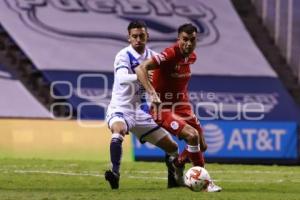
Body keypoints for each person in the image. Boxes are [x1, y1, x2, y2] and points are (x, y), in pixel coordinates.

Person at [135, 23, 222, 192]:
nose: (188, 44)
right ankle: (205, 183)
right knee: (192, 136)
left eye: (192, 40)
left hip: (183, 107)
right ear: (178, 39)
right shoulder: (170, 54)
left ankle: (177, 163)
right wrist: (152, 93)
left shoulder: (192, 57)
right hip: (163, 108)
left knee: (201, 146)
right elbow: (141, 68)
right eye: (184, 40)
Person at [105, 20, 180, 189]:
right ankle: (115, 173)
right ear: (129, 38)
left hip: (141, 110)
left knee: (173, 147)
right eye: (134, 36)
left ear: (147, 36)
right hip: (121, 108)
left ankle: (173, 181)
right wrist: (142, 76)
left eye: (142, 36)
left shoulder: (154, 57)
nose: (138, 39)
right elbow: (122, 79)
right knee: (119, 131)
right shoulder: (123, 55)